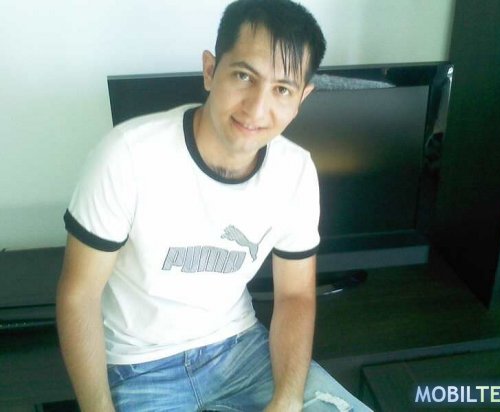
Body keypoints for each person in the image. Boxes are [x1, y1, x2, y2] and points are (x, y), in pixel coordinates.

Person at [56, 0, 372, 410]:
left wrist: (288, 398)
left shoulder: (295, 171)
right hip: (138, 366)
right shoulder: (127, 156)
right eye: (244, 76)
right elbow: (79, 294)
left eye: (282, 89)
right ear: (210, 70)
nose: (257, 109)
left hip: (241, 350)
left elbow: (295, 295)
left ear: (301, 98)